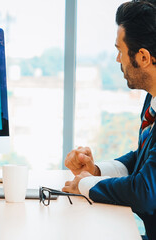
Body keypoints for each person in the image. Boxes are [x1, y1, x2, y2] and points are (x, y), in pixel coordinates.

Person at [62, 1, 156, 239]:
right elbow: (144, 160)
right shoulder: (152, 99)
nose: (117, 60)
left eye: (120, 51)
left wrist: (85, 185)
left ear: (143, 57)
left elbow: (145, 191)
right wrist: (95, 171)